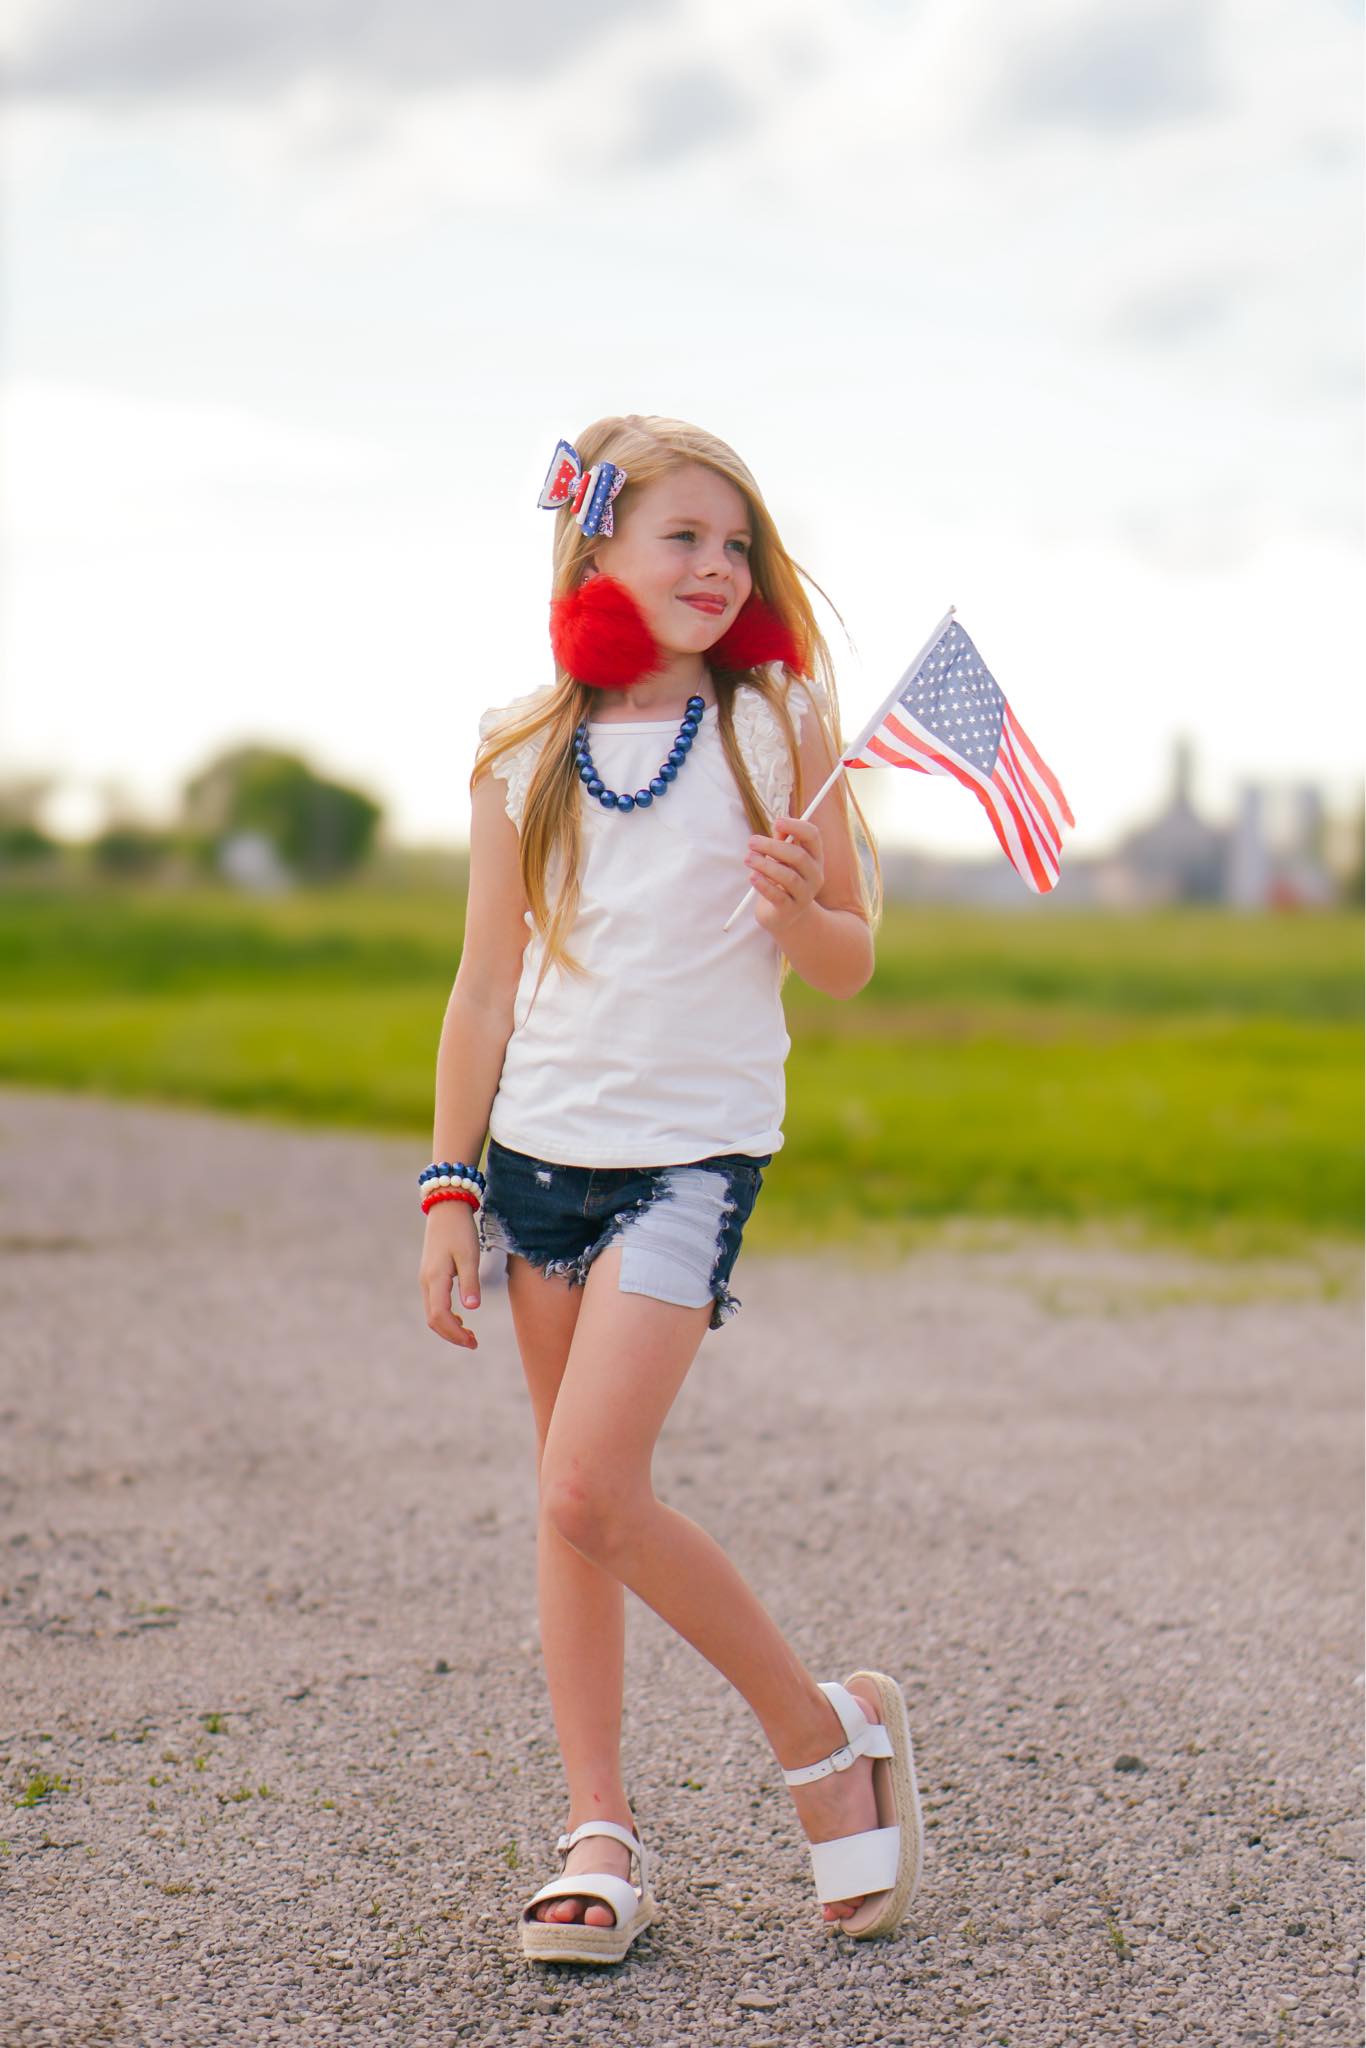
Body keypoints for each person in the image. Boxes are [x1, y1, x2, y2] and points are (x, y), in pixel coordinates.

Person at [418, 413, 924, 1965]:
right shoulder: (523, 746)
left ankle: (821, 1742)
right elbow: (484, 988)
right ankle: (598, 1829)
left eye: (735, 543)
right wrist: (450, 1185)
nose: (715, 567)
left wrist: (803, 904)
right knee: (572, 1512)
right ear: (598, 552)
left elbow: (845, 960)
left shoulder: (777, 724)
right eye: (680, 538)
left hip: (689, 1162)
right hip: (540, 1168)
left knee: (589, 1486)